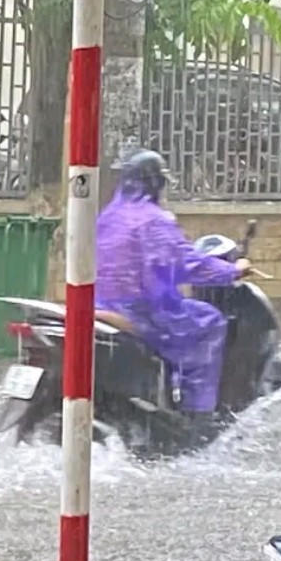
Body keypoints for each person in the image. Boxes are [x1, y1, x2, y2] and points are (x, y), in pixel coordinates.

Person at [96, 149, 251, 413]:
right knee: (210, 323)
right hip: (143, 312)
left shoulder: (108, 216)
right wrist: (232, 270)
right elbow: (186, 264)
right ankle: (197, 413)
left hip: (101, 305)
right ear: (156, 183)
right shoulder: (152, 220)